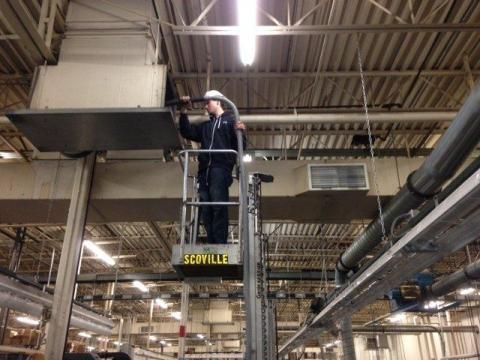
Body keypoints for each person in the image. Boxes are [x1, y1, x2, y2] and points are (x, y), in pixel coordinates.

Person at [179, 90, 247, 244]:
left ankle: (220, 243)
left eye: (208, 102)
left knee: (218, 204)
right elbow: (186, 131)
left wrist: (241, 133)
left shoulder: (230, 121)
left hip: (220, 169)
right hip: (204, 171)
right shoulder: (206, 127)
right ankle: (212, 242)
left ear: (218, 101)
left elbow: (241, 146)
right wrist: (183, 111)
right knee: (206, 209)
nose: (205, 106)